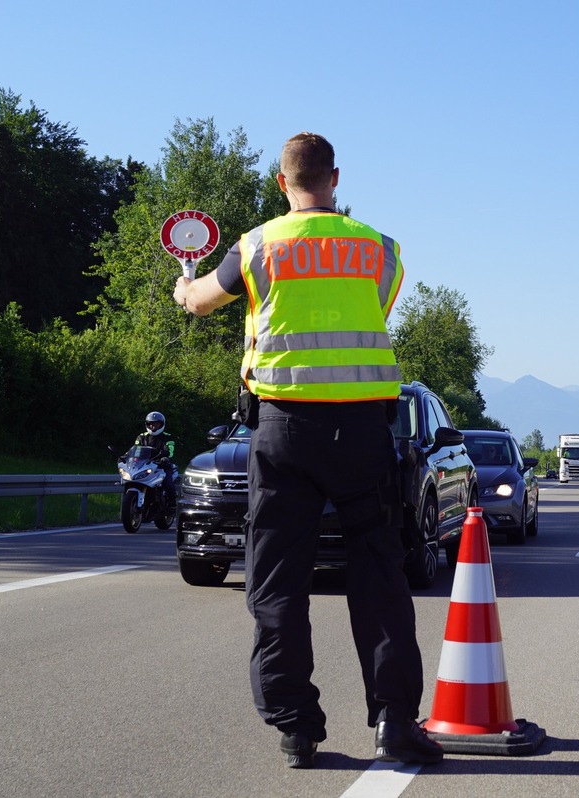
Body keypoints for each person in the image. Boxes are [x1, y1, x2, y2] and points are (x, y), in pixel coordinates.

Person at [172, 132, 442, 770]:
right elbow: (374, 306)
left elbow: (204, 300)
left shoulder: (258, 245)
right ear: (336, 178)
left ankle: (296, 727)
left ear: (279, 182)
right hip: (363, 431)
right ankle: (395, 724)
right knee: (378, 576)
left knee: (278, 582)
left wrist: (185, 287)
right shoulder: (381, 250)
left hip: (284, 430)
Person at [134, 411, 176, 505]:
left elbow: (171, 451)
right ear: (147, 424)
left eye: (156, 424)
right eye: (151, 424)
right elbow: (135, 450)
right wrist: (127, 457)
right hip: (144, 466)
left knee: (168, 484)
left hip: (162, 466)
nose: (153, 426)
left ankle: (172, 505)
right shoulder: (141, 437)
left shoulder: (167, 437)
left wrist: (166, 457)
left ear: (161, 425)